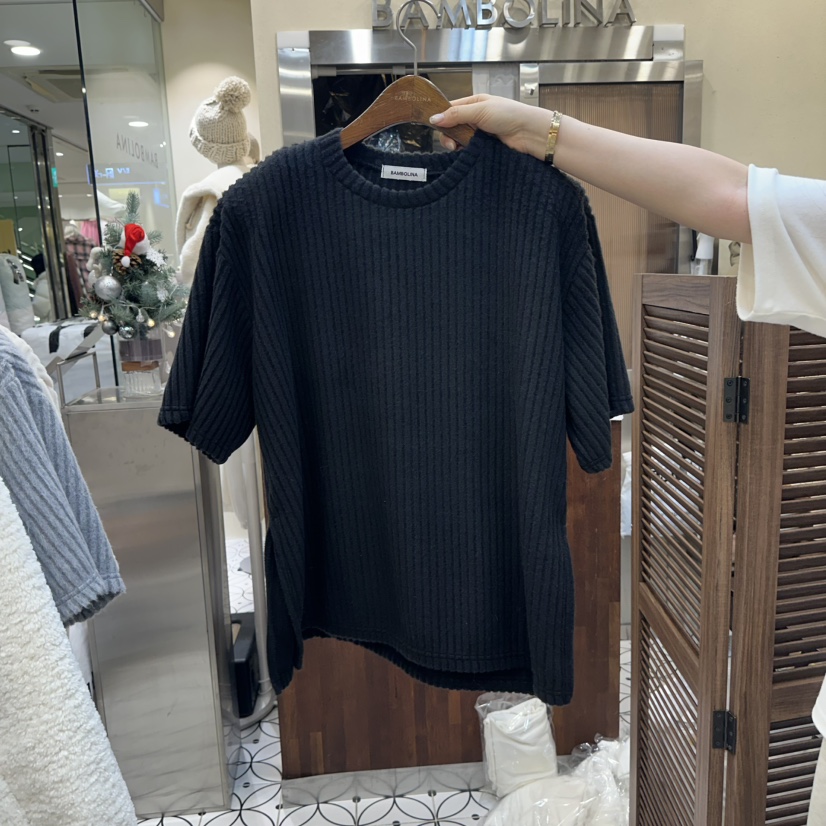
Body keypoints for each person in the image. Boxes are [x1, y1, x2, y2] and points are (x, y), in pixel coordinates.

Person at [433, 94, 826, 824]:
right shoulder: (273, 205)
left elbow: (733, 198)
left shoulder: (546, 215)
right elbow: (733, 195)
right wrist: (541, 129)